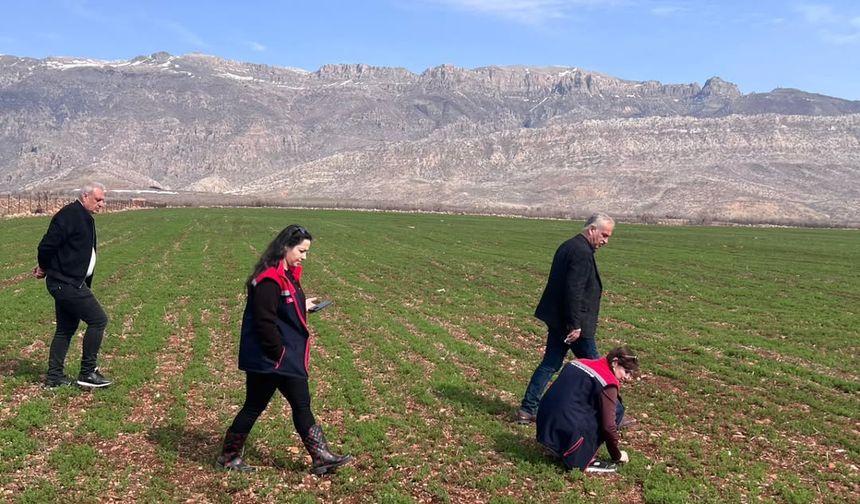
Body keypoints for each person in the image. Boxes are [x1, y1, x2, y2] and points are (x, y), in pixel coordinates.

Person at [217, 224, 353, 475]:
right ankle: (229, 457)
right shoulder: (269, 279)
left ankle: (319, 457)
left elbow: (284, 305)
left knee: (288, 405)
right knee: (264, 406)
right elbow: (264, 321)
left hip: (280, 358)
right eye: (301, 250)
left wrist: (304, 303)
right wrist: (278, 353)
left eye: (306, 252)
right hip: (273, 360)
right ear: (285, 247)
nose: (304, 256)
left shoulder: (286, 275)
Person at [517, 213, 615, 424]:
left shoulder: (569, 246)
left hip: (561, 320)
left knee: (550, 364)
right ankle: (614, 416)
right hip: (574, 325)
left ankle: (527, 408)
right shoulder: (581, 252)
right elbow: (573, 290)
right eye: (604, 235)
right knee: (599, 370)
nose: (606, 241)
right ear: (592, 230)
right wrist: (575, 325)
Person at [34, 183, 112, 389]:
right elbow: (47, 246)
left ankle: (54, 379)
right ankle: (88, 372)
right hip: (66, 283)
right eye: (98, 200)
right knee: (98, 320)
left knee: (65, 329)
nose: (102, 204)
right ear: (85, 196)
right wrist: (43, 266)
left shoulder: (84, 216)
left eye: (103, 200)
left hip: (69, 281)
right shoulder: (69, 215)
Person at [536, 346, 639, 473]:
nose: (627, 378)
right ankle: (582, 458)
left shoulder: (578, 362)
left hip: (543, 421)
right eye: (626, 372)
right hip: (567, 425)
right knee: (617, 410)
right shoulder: (608, 382)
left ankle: (556, 445)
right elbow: (608, 426)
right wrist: (617, 455)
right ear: (615, 362)